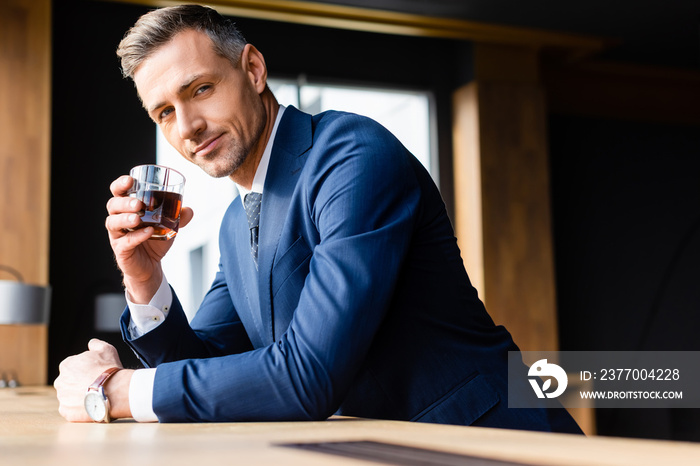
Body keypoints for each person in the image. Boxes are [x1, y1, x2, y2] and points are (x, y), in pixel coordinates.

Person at [54, 4, 581, 433]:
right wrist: (144, 280)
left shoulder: (353, 157)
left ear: (253, 70)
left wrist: (116, 391)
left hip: (499, 438)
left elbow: (310, 376)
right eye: (165, 112)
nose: (188, 126)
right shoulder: (236, 226)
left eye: (200, 90)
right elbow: (202, 366)